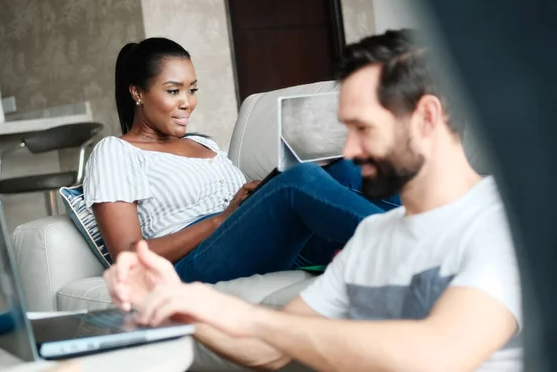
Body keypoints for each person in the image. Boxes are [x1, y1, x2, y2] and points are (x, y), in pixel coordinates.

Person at [103, 29, 522, 371]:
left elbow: (437, 355)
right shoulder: (373, 239)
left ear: (428, 117)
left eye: (363, 128)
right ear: (138, 93)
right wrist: (178, 303)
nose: (353, 147)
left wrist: (249, 316)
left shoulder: (510, 229)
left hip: (246, 228)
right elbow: (265, 352)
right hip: (205, 247)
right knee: (308, 178)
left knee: (328, 172)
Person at [83, 37, 400, 284]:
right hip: (193, 261)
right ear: (138, 93)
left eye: (192, 90)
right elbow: (128, 255)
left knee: (345, 165)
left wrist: (259, 193)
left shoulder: (201, 142)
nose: (187, 103)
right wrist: (222, 220)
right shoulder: (115, 151)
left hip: (256, 238)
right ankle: (413, 244)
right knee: (299, 180)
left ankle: (436, 222)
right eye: (173, 91)